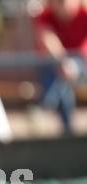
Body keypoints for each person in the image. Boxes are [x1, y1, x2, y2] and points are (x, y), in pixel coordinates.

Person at [34, 0, 87, 134]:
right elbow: (48, 39)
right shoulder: (46, 15)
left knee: (62, 78)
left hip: (83, 65)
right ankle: (67, 129)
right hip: (60, 67)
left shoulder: (84, 13)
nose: (62, 6)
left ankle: (46, 106)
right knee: (59, 77)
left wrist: (73, 64)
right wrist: (65, 63)